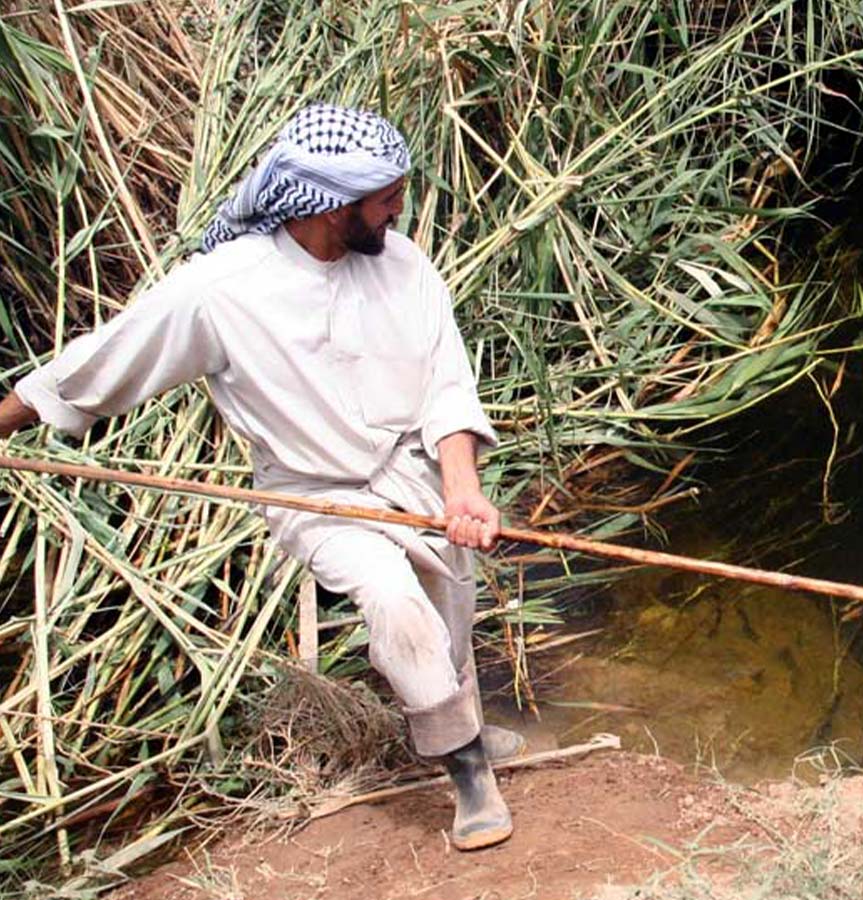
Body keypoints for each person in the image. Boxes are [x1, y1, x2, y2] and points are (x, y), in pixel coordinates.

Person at [0, 104, 521, 851]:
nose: (399, 209)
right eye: (386, 198)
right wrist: (4, 421)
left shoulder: (405, 265)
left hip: (415, 474)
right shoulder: (221, 291)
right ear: (331, 206)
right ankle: (467, 771)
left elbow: (447, 388)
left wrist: (463, 489)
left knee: (451, 612)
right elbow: (101, 360)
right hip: (315, 494)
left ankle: (451, 723)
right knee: (395, 603)